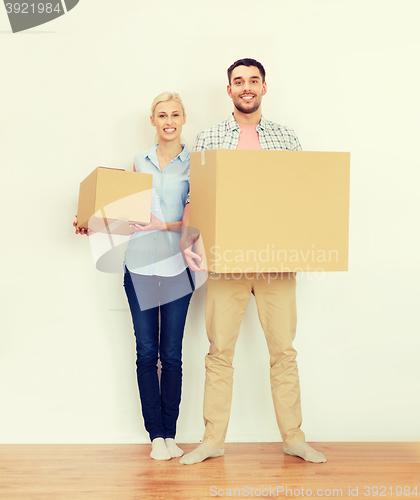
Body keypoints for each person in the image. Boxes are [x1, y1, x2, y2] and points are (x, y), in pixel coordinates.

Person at [179, 59, 327, 465]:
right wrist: (189, 240)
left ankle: (294, 438)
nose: (246, 87)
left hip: (276, 261)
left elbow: (301, 195)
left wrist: (303, 245)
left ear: (264, 87)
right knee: (218, 350)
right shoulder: (209, 136)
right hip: (227, 262)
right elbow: (196, 197)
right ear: (228, 89)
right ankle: (212, 441)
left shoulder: (286, 137)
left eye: (253, 81)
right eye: (238, 81)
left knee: (283, 351)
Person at [75, 92, 194, 461]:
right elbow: (124, 212)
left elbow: (200, 218)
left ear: (183, 119)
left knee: (171, 354)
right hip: (139, 266)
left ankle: (171, 432)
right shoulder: (137, 164)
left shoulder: (197, 165)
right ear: (153, 120)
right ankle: (155, 434)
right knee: (146, 352)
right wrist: (91, 222)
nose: (168, 120)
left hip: (178, 268)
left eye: (175, 114)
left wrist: (165, 225)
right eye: (162, 115)